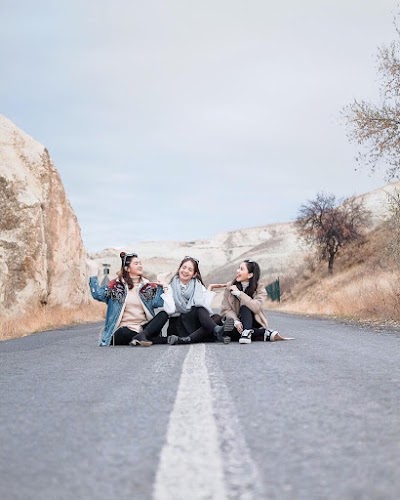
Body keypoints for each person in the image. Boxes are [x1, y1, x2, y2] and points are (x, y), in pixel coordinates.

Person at [87, 252, 175, 347]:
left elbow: (161, 303)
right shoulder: (115, 287)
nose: (140, 266)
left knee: (163, 314)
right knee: (123, 332)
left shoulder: (147, 287)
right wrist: (93, 271)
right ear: (127, 268)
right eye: (136, 263)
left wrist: (163, 284)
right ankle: (155, 339)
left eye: (140, 263)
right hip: (123, 331)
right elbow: (97, 294)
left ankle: (142, 336)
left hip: (143, 328)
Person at [220, 259, 294, 344]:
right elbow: (226, 309)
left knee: (245, 307)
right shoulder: (230, 286)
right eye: (238, 268)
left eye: (241, 269)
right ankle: (263, 333)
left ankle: (247, 331)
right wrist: (236, 321)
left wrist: (240, 294)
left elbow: (255, 307)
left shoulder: (260, 289)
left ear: (250, 275)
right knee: (227, 331)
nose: (237, 271)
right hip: (235, 322)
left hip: (253, 321)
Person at [166, 256, 234, 345]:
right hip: (178, 323)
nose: (186, 271)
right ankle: (216, 332)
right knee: (199, 308)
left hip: (193, 323)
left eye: (190, 270)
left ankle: (189, 339)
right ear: (179, 269)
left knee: (216, 317)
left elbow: (206, 310)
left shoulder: (198, 286)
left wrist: (209, 289)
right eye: (184, 267)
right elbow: (170, 310)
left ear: (194, 274)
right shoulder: (170, 287)